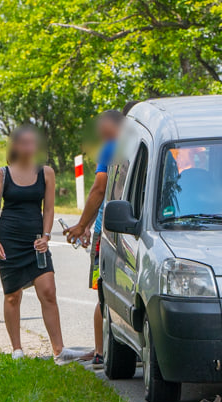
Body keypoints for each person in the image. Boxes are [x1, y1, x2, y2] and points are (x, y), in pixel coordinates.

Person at [0, 126, 83, 364]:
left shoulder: (45, 172)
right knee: (12, 296)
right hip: (8, 239)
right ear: (16, 146)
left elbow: (48, 209)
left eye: (33, 143)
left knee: (48, 291)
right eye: (25, 143)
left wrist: (47, 236)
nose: (30, 148)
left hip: (36, 241)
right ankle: (17, 350)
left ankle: (59, 351)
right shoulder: (2, 174)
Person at [64, 103, 137, 367]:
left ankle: (100, 351)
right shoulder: (141, 149)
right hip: (137, 228)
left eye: (107, 133)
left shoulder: (111, 149)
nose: (105, 140)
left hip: (109, 232)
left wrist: (82, 225)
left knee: (103, 290)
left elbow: (99, 190)